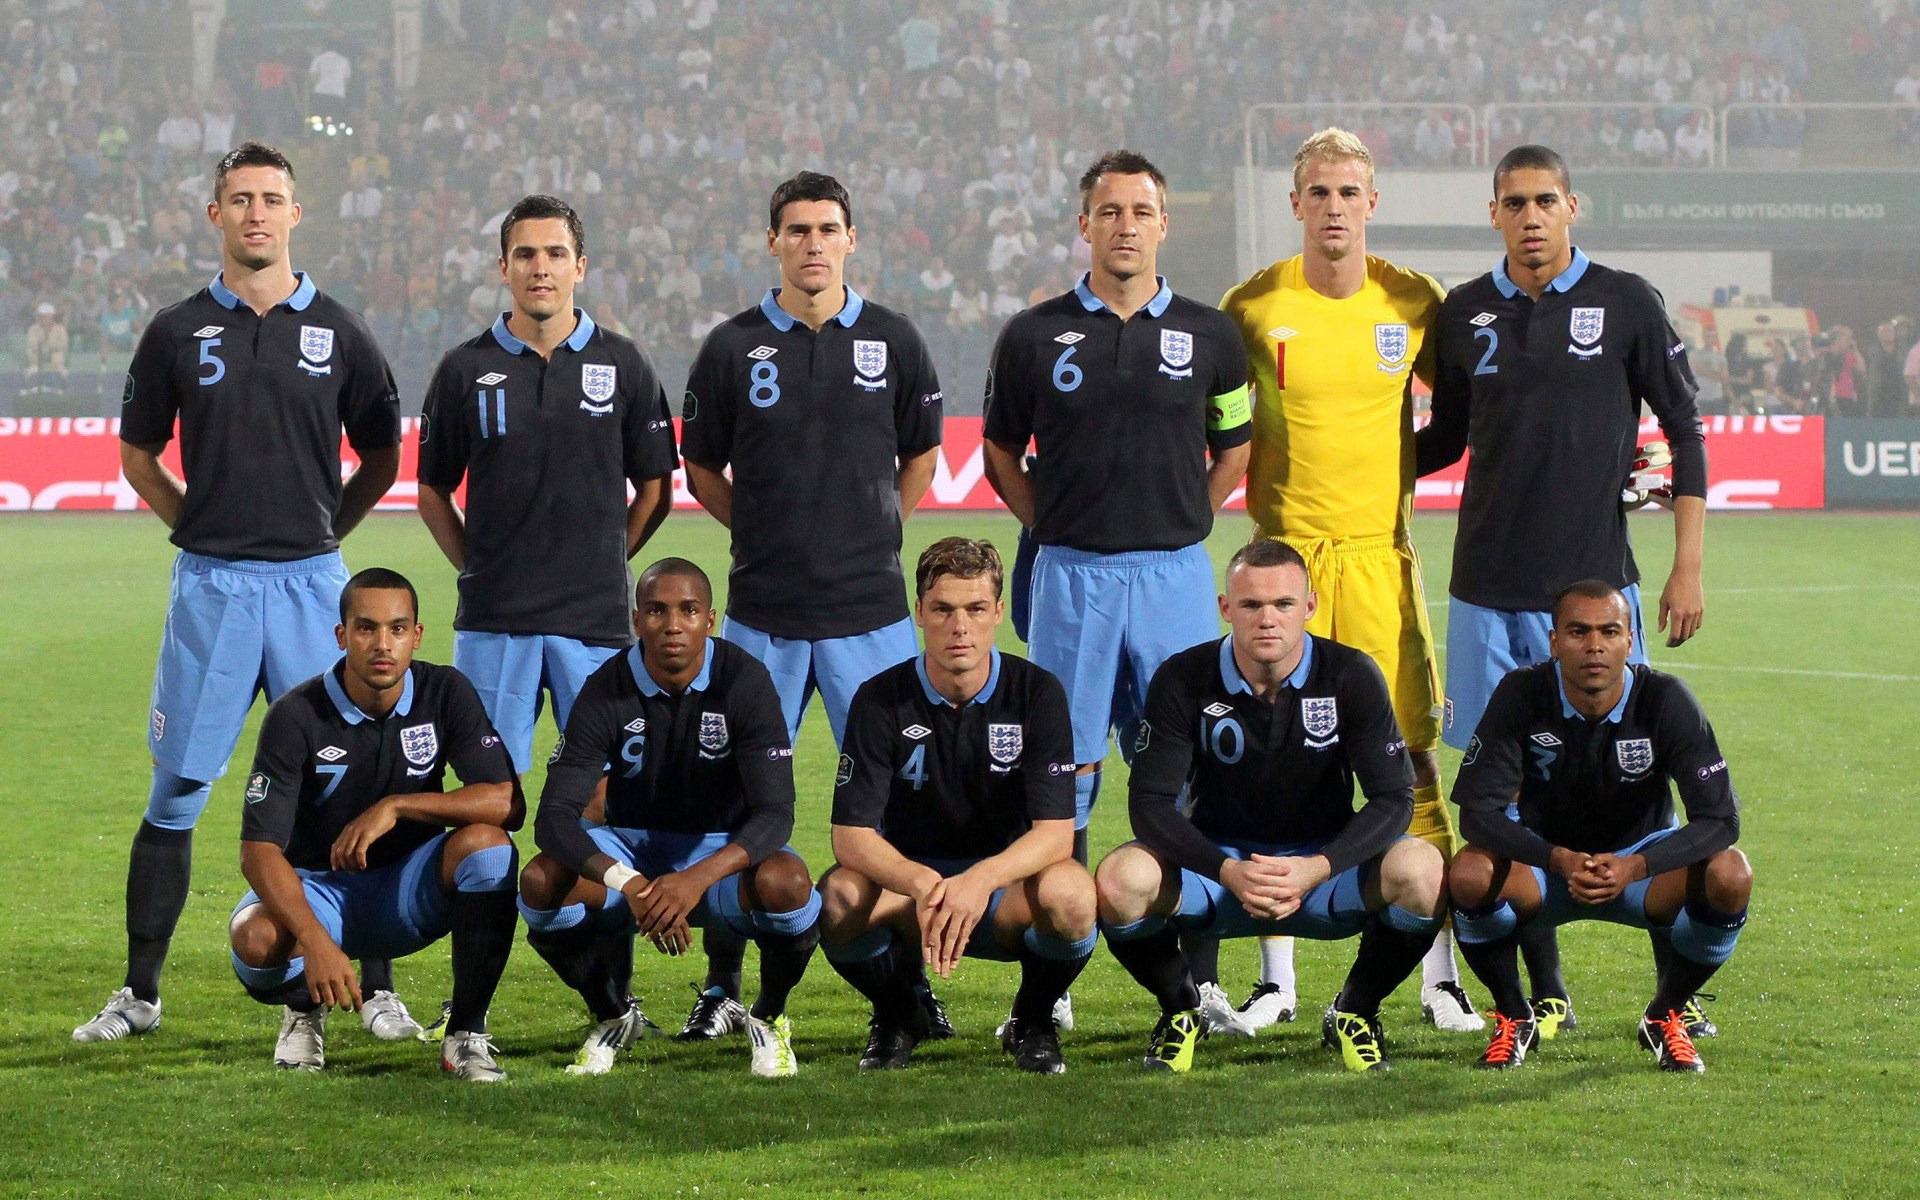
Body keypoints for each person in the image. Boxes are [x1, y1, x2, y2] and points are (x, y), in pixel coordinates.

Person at [78, 142, 404, 1045]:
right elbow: (137, 455)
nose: (256, 213)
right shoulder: (177, 330)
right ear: (214, 215)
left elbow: (382, 453)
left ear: (297, 214)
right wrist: (196, 527)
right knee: (178, 789)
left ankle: (375, 988)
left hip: (312, 588)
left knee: (346, 791)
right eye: (239, 199)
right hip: (213, 587)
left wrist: (324, 533)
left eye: (272, 199)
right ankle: (140, 994)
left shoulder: (339, 328)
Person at [1417, 143, 1707, 1037]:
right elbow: (1441, 442)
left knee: (1643, 787)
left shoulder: (1624, 301)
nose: (1532, 215)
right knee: (1503, 802)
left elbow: (1686, 430)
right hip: (1486, 593)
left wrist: (1686, 563)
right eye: (1515, 202)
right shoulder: (1464, 315)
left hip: (1594, 600)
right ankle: (1546, 992)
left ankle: (1675, 1004)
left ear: (1572, 206)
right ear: (1494, 213)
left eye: (1547, 200)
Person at [1216, 127, 1480, 1037]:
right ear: (1296, 204)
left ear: (1373, 202)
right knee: (1270, 764)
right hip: (1280, 563)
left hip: (1377, 564)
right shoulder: (1251, 306)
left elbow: (1462, 414)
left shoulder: (1414, 302)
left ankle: (1439, 978)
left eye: (1349, 192)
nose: (1334, 208)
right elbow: (1216, 427)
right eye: (1319, 192)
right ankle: (1275, 979)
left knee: (1413, 763)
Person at [679, 170, 945, 1040]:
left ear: (852, 238)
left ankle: (908, 990)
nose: (813, 244)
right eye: (796, 231)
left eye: (828, 229)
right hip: (763, 615)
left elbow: (922, 456)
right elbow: (702, 469)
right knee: (734, 800)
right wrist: (760, 530)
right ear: (773, 243)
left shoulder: (896, 341)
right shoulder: (732, 348)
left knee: (899, 808)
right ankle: (721, 986)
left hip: (870, 615)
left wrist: (875, 537)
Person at [981, 148, 1250, 863]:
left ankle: (1194, 966)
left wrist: (1188, 517)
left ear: (1163, 223)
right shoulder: (1032, 335)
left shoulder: (1213, 334)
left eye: (1139, 212)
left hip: (1176, 575)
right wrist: (1050, 524)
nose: (1124, 226)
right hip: (1071, 575)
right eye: (1109, 212)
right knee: (1063, 768)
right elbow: (1000, 453)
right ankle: (1059, 955)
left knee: (1191, 758)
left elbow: (1234, 448)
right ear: (1085, 226)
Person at [1095, 540, 1444, 1073]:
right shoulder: (1183, 677)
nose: (1268, 619)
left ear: (1309, 606)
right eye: (1252, 605)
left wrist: (1318, 866)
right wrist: (1226, 869)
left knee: (1423, 872)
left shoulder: (1351, 673)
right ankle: (1181, 1009)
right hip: (1217, 873)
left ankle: (1355, 1011)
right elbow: (1149, 804)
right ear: (1225, 608)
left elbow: (1394, 796)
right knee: (1121, 879)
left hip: (1321, 873)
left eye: (1283, 604)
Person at [516, 559, 822, 1079]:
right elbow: (553, 818)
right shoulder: (606, 686)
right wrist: (629, 882)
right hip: (630, 850)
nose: (672, 624)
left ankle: (768, 1019)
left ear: (710, 619)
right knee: (542, 881)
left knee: (788, 882)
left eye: (688, 610)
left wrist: (693, 880)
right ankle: (613, 1014)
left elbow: (776, 813)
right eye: (657, 610)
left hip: (719, 853)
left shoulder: (745, 680)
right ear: (637, 620)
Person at [417, 193, 678, 779]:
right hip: (494, 620)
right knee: (488, 796)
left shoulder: (625, 363)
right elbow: (432, 490)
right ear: (503, 267)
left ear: (579, 267)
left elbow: (656, 488)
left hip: (595, 622)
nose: (541, 267)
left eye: (556, 253)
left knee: (604, 793)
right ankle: (494, 877)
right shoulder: (463, 368)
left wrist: (608, 557)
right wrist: (477, 563)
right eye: (526, 254)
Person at [227, 569, 521, 1079]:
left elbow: (506, 802)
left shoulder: (445, 691)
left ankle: (465, 1036)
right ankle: (302, 1013)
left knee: (490, 848)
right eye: (366, 629)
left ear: (417, 635)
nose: (383, 645)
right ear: (341, 636)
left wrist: (398, 806)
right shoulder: (295, 715)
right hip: (320, 892)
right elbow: (258, 850)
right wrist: (316, 941)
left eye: (397, 629)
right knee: (254, 941)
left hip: (408, 893)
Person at [1448, 581, 1750, 1073]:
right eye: (1578, 632)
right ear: (1553, 641)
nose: (1594, 646)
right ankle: (1512, 1014)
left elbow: (1721, 820)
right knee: (1468, 873)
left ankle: (1665, 1014)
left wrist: (1637, 865)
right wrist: (1557, 858)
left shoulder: (1666, 699)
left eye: (1609, 631)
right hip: (1546, 867)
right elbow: (1477, 815)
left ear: (1629, 641)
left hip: (1641, 868)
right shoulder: (1523, 693)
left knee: (1731, 875)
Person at [819, 538, 1092, 1074]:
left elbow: (1057, 834)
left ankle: (1032, 1021)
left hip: (1002, 890)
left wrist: (980, 879)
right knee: (836, 899)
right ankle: (900, 1015)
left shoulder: (1038, 693)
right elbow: (850, 836)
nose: (958, 626)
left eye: (974, 609)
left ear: (997, 613)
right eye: (943, 609)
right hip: (911, 892)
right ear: (920, 612)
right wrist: (923, 883)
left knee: (1074, 896)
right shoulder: (879, 698)